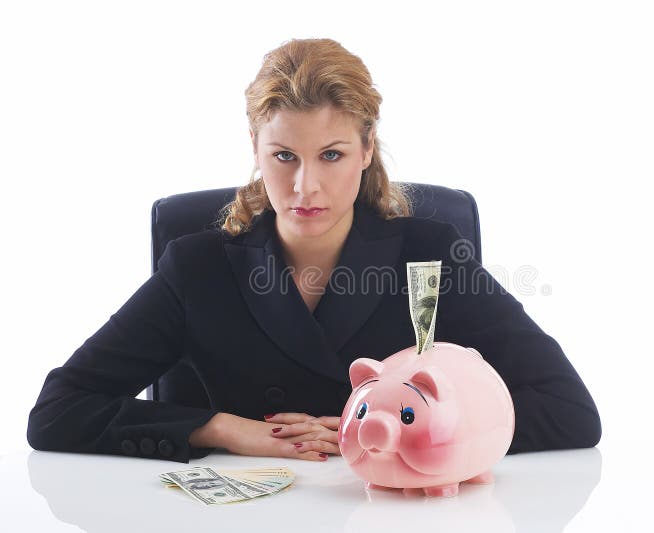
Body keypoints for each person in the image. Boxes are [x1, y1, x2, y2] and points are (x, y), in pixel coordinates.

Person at [27, 38, 601, 464]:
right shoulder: (196, 268)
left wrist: (403, 427)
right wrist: (224, 429)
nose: (305, 187)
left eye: (331, 155)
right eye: (283, 156)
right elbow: (58, 411)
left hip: (394, 512)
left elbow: (569, 409)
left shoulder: (430, 257)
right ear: (254, 146)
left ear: (367, 148)